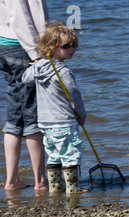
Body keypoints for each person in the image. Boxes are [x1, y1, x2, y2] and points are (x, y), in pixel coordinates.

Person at [22, 23, 88, 194]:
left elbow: (25, 79)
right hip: (64, 121)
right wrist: (81, 114)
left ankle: (55, 187)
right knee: (70, 154)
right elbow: (74, 94)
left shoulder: (38, 68)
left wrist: (35, 66)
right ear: (52, 47)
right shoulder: (64, 72)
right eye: (67, 46)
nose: (72, 49)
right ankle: (73, 188)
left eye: (74, 45)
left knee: (53, 154)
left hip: (45, 122)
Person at [0, 0, 49, 191]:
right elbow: (19, 15)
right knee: (32, 114)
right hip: (20, 47)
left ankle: (12, 180)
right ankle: (41, 182)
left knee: (15, 114)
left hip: (7, 44)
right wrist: (36, 54)